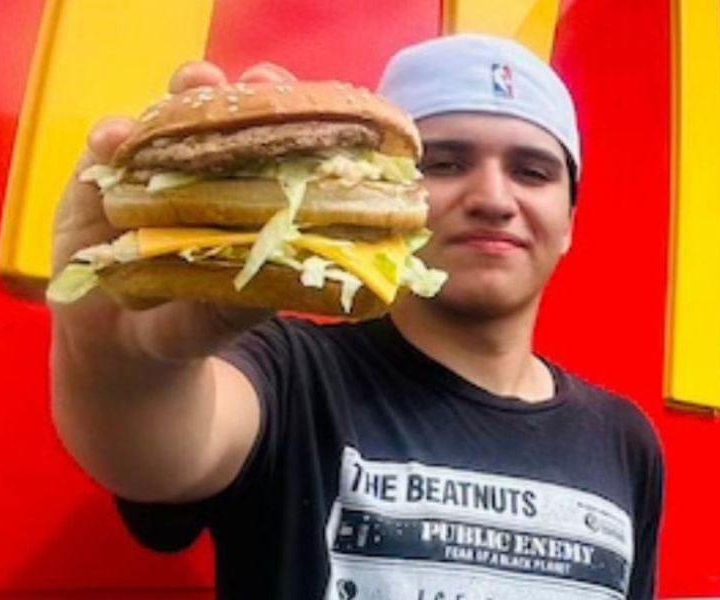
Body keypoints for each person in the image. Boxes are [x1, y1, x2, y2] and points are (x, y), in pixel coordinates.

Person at [50, 34, 663, 600]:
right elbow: (154, 449)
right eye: (445, 163)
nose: (494, 200)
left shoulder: (624, 440)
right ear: (379, 189)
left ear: (569, 224)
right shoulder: (291, 374)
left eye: (532, 172)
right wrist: (114, 356)